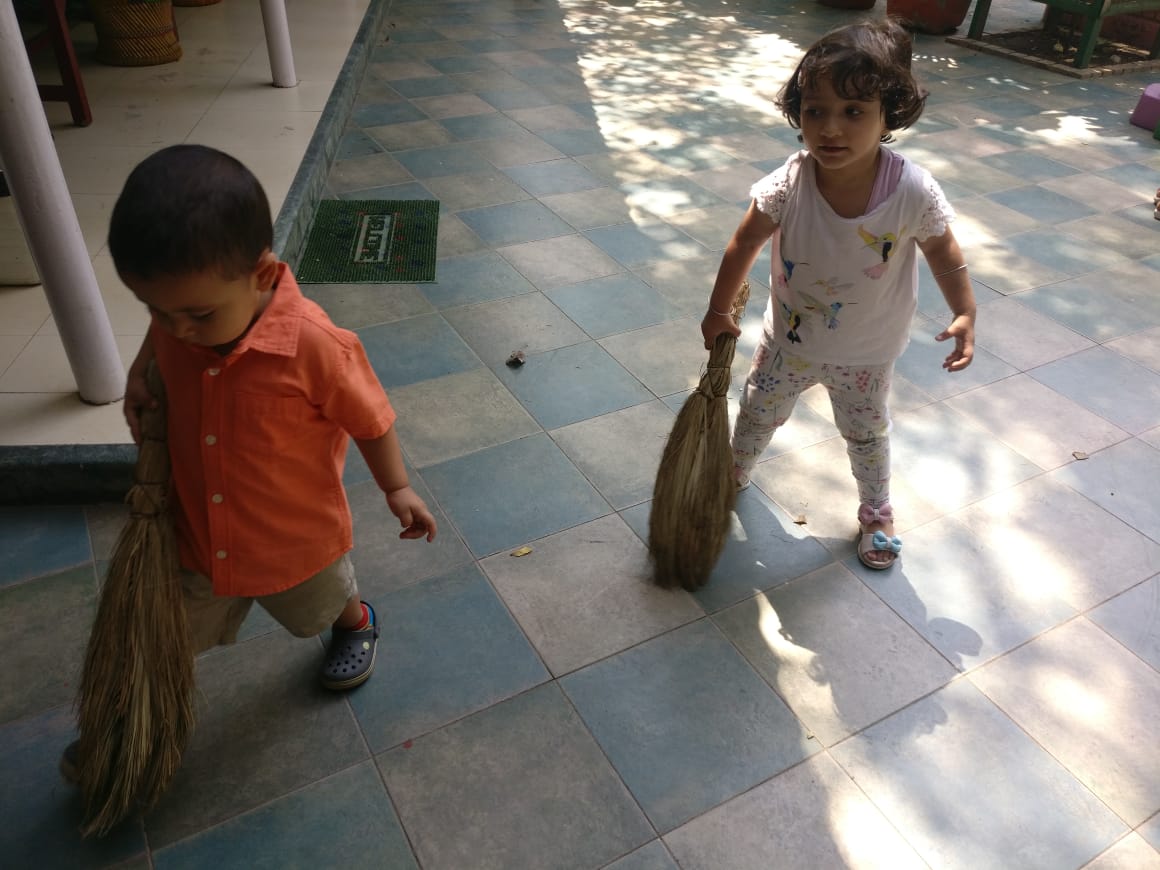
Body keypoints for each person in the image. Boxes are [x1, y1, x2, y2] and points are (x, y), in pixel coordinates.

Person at [94, 144, 438, 697]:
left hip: (293, 536)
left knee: (322, 599)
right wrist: (139, 372)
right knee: (176, 627)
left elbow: (371, 419)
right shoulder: (180, 322)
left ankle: (356, 624)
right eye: (155, 309)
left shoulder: (317, 346)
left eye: (198, 314)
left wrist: (395, 486)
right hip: (200, 531)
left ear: (260, 274)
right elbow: (162, 337)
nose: (176, 329)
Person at [701, 19, 976, 571]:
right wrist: (716, 309)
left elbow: (943, 250)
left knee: (867, 435)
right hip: (789, 343)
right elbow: (744, 242)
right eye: (815, 110)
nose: (830, 128)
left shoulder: (911, 190)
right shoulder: (790, 180)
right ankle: (733, 472)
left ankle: (876, 511)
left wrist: (965, 310)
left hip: (867, 353)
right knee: (757, 412)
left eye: (853, 112)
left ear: (888, 115)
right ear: (798, 113)